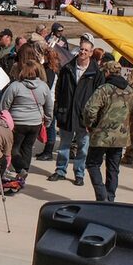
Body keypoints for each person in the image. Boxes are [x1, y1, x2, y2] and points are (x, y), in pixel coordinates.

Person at [48, 39, 105, 186]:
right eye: (81, 49)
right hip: (67, 114)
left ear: (91, 53)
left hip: (85, 118)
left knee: (83, 148)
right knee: (64, 146)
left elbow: (100, 97)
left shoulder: (96, 73)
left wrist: (94, 118)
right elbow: (59, 90)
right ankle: (60, 170)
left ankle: (79, 173)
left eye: (86, 50)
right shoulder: (67, 69)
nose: (83, 52)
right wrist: (58, 109)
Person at [83, 61, 133, 202]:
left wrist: (90, 124)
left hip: (102, 135)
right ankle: (110, 198)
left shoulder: (104, 89)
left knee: (92, 164)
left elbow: (90, 109)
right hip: (120, 136)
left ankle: (102, 197)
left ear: (107, 72)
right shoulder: (130, 90)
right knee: (113, 168)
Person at [0, 59, 52, 180]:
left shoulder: (15, 86)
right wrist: (48, 120)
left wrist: (2, 119)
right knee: (28, 147)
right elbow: (49, 106)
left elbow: (4, 105)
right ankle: (24, 173)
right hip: (35, 123)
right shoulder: (44, 86)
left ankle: (20, 169)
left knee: (14, 148)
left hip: (17, 122)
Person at [36, 45, 60, 161]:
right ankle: (47, 150)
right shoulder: (55, 68)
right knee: (50, 125)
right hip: (52, 101)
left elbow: (47, 86)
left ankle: (48, 151)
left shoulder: (49, 70)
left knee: (50, 126)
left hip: (50, 102)